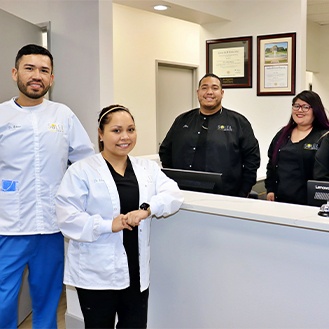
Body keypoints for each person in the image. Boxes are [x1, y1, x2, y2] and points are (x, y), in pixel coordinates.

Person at [55, 105, 184, 329]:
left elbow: (173, 194)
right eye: (116, 130)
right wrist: (108, 225)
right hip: (97, 273)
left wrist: (147, 208)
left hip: (135, 271)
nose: (125, 137)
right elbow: (67, 218)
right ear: (100, 133)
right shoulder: (81, 170)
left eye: (131, 129)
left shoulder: (146, 168)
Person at [0, 44, 94, 329]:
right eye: (29, 68)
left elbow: (85, 161)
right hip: (8, 227)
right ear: (15, 73)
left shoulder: (63, 115)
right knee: (3, 301)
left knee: (48, 302)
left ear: (52, 79)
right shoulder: (2, 115)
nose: (36, 75)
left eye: (44, 70)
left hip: (51, 228)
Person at [159, 73, 260, 197]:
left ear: (222, 93)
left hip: (227, 195)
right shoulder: (182, 120)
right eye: (204, 87)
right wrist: (173, 179)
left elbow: (252, 159)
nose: (209, 92)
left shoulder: (238, 122)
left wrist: (243, 192)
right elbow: (165, 150)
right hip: (183, 194)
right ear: (198, 92)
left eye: (215, 88)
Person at [265, 90, 329, 205]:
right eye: (296, 106)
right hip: (280, 201)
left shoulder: (324, 137)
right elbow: (271, 164)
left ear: (315, 110)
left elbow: (323, 176)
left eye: (305, 107)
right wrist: (270, 189)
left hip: (309, 203)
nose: (300, 110)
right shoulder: (283, 133)